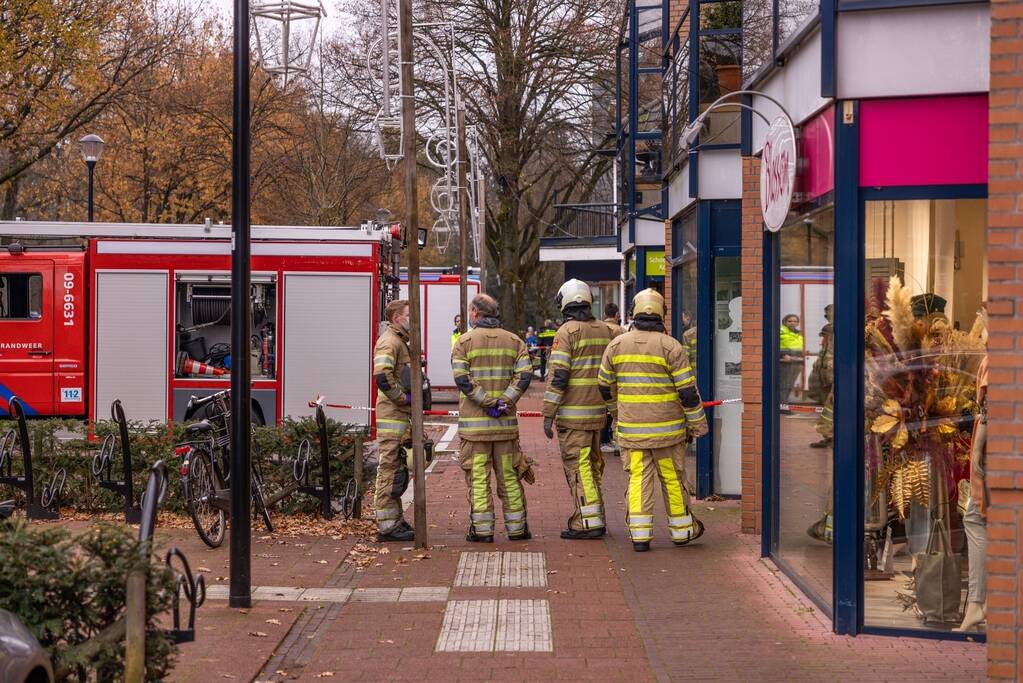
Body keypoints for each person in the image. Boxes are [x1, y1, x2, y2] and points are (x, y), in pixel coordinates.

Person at [599, 288, 709, 552]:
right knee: (671, 478)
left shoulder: (616, 345)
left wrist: (616, 411)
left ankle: (640, 537)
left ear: (634, 312)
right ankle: (682, 532)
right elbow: (687, 392)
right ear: (662, 313)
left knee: (638, 479)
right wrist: (698, 425)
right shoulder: (672, 346)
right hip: (668, 435)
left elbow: (604, 386)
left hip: (632, 433)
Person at [451, 294, 534, 542]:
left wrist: (486, 402)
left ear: (476, 312)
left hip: (474, 430)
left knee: (478, 479)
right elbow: (524, 376)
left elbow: (462, 380)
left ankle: (483, 530)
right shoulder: (515, 341)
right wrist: (504, 401)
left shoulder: (463, 342)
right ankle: (517, 529)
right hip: (505, 427)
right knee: (509, 477)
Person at [542, 279, 615, 539]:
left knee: (579, 467)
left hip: (573, 418)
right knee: (593, 467)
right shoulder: (605, 330)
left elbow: (559, 377)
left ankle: (588, 521)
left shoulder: (567, 332)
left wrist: (548, 413)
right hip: (598, 415)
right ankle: (595, 516)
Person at [371, 299, 416, 542]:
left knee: (398, 469)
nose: (412, 318)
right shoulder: (390, 342)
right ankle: (387, 527)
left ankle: (394, 519)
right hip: (393, 416)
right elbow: (382, 377)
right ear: (397, 317)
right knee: (389, 469)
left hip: (399, 417)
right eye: (409, 314)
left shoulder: (400, 341)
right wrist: (402, 399)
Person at [600, 303, 625, 455]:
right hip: (616, 376)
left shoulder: (598, 329)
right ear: (616, 315)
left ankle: (601, 439)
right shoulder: (621, 331)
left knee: (602, 407)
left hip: (600, 374)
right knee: (616, 410)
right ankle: (616, 443)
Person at [779, 313, 804, 403]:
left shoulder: (799, 334)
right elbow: (772, 346)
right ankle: (782, 405)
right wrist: (782, 355)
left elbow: (800, 348)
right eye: (790, 321)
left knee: (790, 384)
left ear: (798, 323)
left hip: (796, 362)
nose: (792, 323)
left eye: (795, 321)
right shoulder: (780, 331)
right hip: (784, 362)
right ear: (785, 322)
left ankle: (784, 403)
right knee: (783, 384)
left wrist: (801, 360)